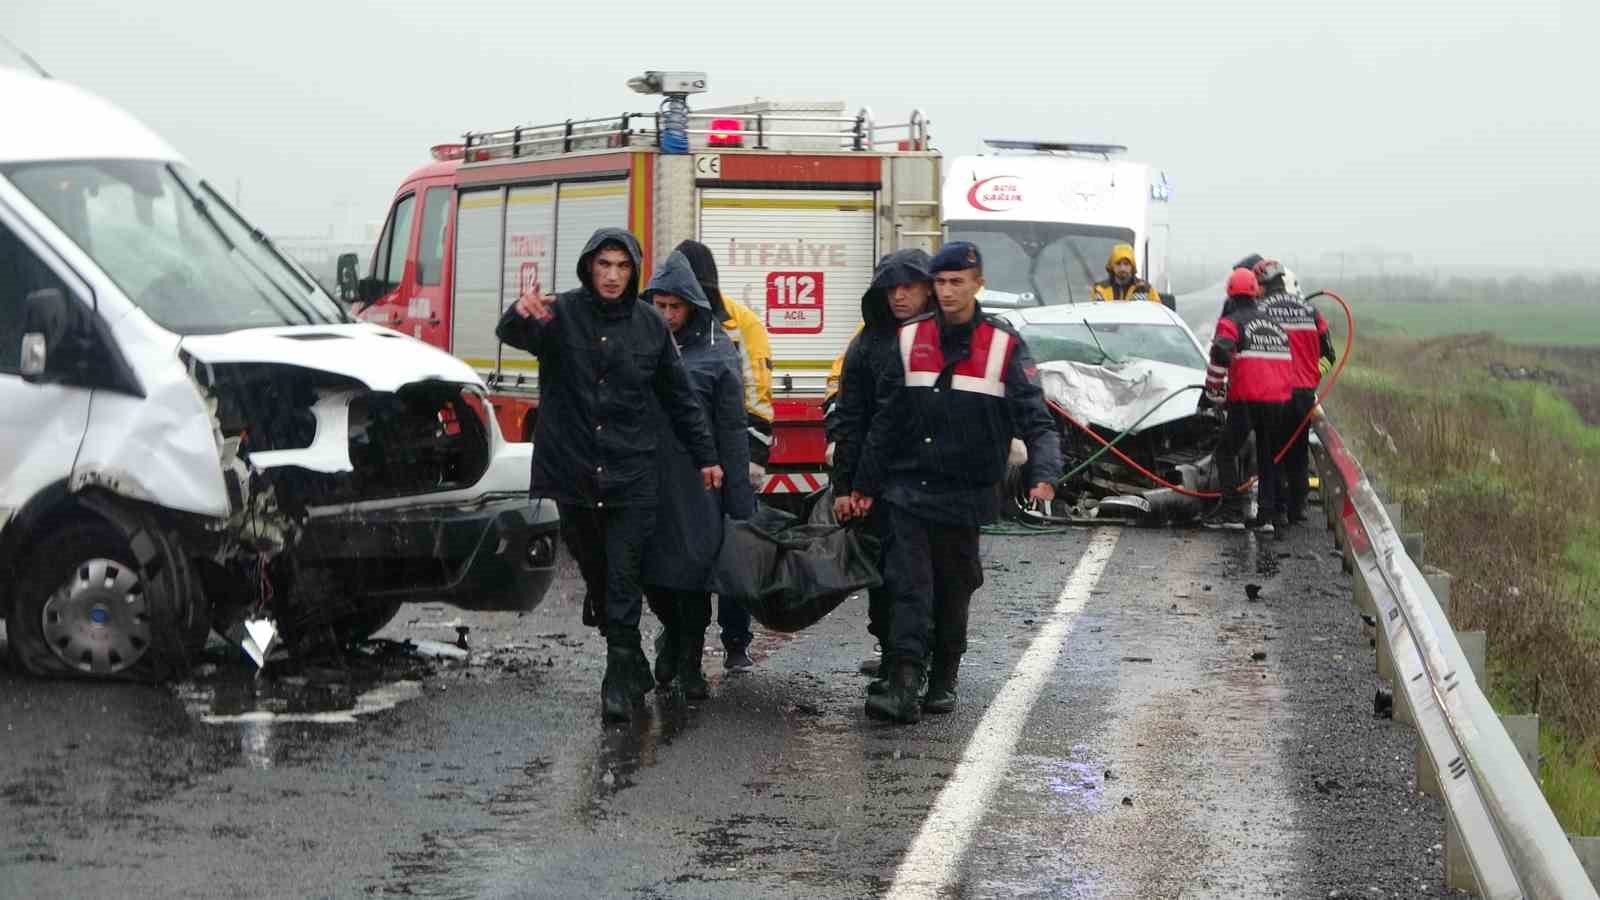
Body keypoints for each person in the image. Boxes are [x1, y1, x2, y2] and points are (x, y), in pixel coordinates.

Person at [496, 227, 723, 723]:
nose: (613, 276)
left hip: (631, 472)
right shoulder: (562, 314)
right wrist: (521, 311)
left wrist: (707, 455)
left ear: (634, 270)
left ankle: (617, 678)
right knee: (598, 578)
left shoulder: (650, 326)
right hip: (573, 471)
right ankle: (631, 656)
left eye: (622, 267)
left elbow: (680, 397)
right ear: (589, 267)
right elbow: (511, 334)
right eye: (605, 265)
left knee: (623, 576)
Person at [846, 242, 1063, 724]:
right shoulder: (908, 339)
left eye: (956, 282)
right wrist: (863, 482)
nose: (946, 292)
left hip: (967, 490)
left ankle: (944, 672)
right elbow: (886, 419)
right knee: (908, 584)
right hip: (907, 486)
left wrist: (1043, 473)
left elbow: (1036, 419)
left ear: (976, 284)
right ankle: (903, 681)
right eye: (940, 283)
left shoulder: (1004, 345)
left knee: (954, 586)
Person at [639, 251, 755, 700]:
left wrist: (738, 501)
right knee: (653, 575)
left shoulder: (718, 351)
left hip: (699, 483)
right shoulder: (639, 342)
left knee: (692, 576)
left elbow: (732, 429)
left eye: (676, 307)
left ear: (692, 305)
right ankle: (672, 635)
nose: (667, 316)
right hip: (647, 479)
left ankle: (688, 659)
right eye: (660, 305)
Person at [823, 249, 936, 693]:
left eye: (909, 286)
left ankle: (918, 666)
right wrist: (845, 487)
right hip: (880, 484)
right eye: (892, 288)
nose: (899, 296)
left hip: (926, 481)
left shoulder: (940, 338)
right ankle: (896, 658)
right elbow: (852, 417)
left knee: (921, 578)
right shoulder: (867, 343)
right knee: (883, 577)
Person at [672, 239, 773, 672]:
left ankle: (736, 641)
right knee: (684, 555)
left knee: (733, 550)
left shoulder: (739, 323)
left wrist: (751, 460)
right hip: (682, 463)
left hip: (731, 458)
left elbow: (758, 394)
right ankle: (681, 642)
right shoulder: (663, 321)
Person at [1201, 267, 1293, 533]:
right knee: (1268, 456)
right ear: (1255, 290)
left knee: (1225, 451)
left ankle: (1231, 510)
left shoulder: (1230, 322)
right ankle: (1268, 515)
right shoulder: (1275, 326)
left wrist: (1212, 392)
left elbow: (1221, 354)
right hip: (1278, 400)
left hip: (1246, 398)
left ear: (1230, 291)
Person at [1256, 258, 1335, 526]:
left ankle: (1275, 507)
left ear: (1263, 285)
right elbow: (1329, 355)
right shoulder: (1311, 311)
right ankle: (1297, 508)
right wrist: (1313, 376)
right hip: (1303, 394)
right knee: (1298, 450)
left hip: (1273, 393)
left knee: (1272, 450)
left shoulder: (1260, 310)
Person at [1090, 243, 1161, 303]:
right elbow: (1093, 314)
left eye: (1126, 264)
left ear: (1132, 266)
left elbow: (1158, 313)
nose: (1122, 268)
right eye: (1118, 264)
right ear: (1112, 266)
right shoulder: (1100, 289)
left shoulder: (1145, 289)